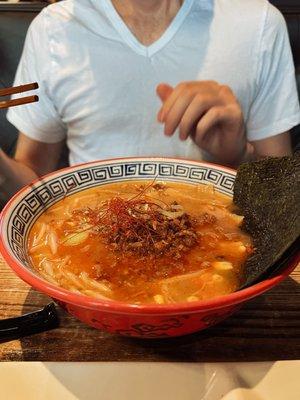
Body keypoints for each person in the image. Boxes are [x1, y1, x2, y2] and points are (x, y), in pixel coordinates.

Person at [1, 0, 299, 202]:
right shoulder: (55, 29)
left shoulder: (258, 24)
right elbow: (33, 185)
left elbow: (284, 195)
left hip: (219, 250)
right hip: (88, 250)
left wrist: (237, 155)